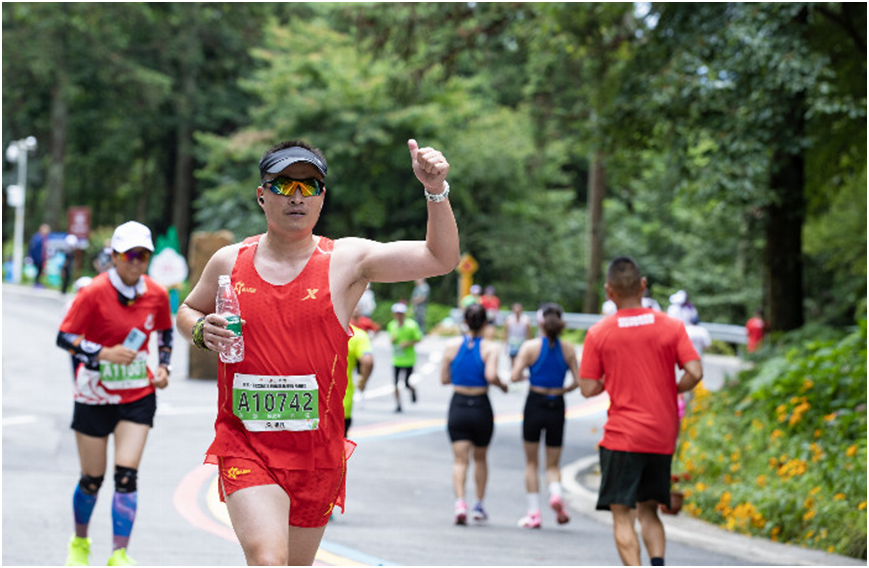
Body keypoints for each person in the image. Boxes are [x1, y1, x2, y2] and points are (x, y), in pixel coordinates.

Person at [176, 138, 459, 566]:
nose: (297, 196)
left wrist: (435, 190)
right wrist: (199, 330)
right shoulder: (228, 262)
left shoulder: (347, 260)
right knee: (268, 559)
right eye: (283, 185)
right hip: (245, 443)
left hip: (316, 453)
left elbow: (440, 258)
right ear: (261, 195)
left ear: (322, 197)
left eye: (309, 186)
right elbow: (188, 309)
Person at [57, 221, 173, 566]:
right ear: (114, 256)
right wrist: (102, 353)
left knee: (126, 476)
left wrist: (164, 367)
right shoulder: (93, 291)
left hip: (137, 393)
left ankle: (119, 554)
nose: (136, 262)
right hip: (94, 393)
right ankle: (80, 543)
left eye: (143, 256)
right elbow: (64, 337)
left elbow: (165, 333)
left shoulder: (157, 293)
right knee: (92, 479)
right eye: (129, 255)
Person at [579, 256, 702, 567]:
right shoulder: (672, 326)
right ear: (643, 285)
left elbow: (588, 387)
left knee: (622, 514)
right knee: (649, 509)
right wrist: (672, 388)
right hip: (661, 436)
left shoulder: (599, 333)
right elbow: (695, 372)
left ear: (609, 291)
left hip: (623, 437)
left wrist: (611, 378)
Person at [511, 303, 580, 529]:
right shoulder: (568, 348)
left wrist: (528, 377)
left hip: (535, 402)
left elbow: (514, 375)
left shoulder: (530, 347)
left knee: (531, 462)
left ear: (540, 323)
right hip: (556, 404)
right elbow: (578, 381)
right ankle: (556, 494)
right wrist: (563, 390)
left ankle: (533, 513)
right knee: (553, 464)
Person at [440, 304, 508, 525]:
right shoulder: (491, 348)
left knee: (460, 460)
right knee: (480, 458)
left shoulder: (451, 346)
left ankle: (460, 503)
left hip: (458, 405)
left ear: (465, 322)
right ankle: (478, 505)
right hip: (480, 406)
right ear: (485, 323)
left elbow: (444, 379)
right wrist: (503, 385)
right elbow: (491, 375)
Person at [387, 301, 424, 412]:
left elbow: (419, 338)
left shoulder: (411, 325)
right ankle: (398, 405)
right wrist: (392, 340)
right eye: (397, 313)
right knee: (395, 383)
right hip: (396, 359)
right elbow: (390, 341)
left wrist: (408, 343)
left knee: (407, 383)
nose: (399, 315)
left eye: (401, 313)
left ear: (404, 314)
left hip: (409, 359)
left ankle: (412, 390)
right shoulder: (391, 325)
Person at [343, 323, 374, 436]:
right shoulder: (356, 334)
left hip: (306, 407)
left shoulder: (313, 330)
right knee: (339, 444)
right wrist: (362, 381)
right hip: (341, 404)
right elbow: (367, 361)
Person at [504, 302, 532, 367]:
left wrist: (529, 341)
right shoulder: (509, 319)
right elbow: (506, 332)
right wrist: (505, 343)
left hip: (522, 340)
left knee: (521, 358)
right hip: (512, 341)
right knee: (512, 357)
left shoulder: (526, 319)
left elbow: (529, 332)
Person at [28, 223, 50, 287]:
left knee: (40, 270)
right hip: (37, 257)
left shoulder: (45, 238)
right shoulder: (37, 237)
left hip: (42, 257)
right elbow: (32, 247)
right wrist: (30, 256)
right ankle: (36, 282)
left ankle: (37, 282)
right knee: (39, 269)